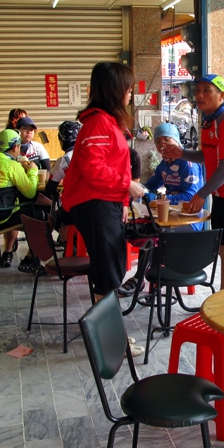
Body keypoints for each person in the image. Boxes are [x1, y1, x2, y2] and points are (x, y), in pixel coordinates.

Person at [161, 74, 224, 289]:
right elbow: (207, 156)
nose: (200, 95)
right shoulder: (208, 121)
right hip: (221, 193)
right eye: (198, 90)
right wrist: (181, 153)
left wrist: (201, 193)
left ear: (221, 95)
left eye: (207, 90)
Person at [61, 61, 145, 300]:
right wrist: (127, 185)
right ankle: (108, 337)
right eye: (128, 88)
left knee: (112, 268)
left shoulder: (107, 121)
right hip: (95, 204)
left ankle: (109, 334)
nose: (130, 93)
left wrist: (124, 202)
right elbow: (94, 170)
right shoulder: (98, 123)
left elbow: (114, 165)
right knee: (107, 274)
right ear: (115, 89)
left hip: (106, 202)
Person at [118, 122, 204, 296]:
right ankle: (147, 279)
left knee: (155, 235)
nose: (162, 145)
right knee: (145, 230)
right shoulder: (163, 165)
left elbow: (191, 196)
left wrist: (159, 198)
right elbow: (149, 186)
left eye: (167, 139)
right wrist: (132, 189)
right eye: (158, 141)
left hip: (190, 222)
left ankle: (139, 279)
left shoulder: (187, 163)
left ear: (176, 141)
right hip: (169, 219)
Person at [0, 129, 41, 268]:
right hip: (2, 217)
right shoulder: (11, 165)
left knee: (25, 208)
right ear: (14, 147)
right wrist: (33, 170)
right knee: (41, 215)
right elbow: (30, 192)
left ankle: (10, 252)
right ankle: (31, 260)